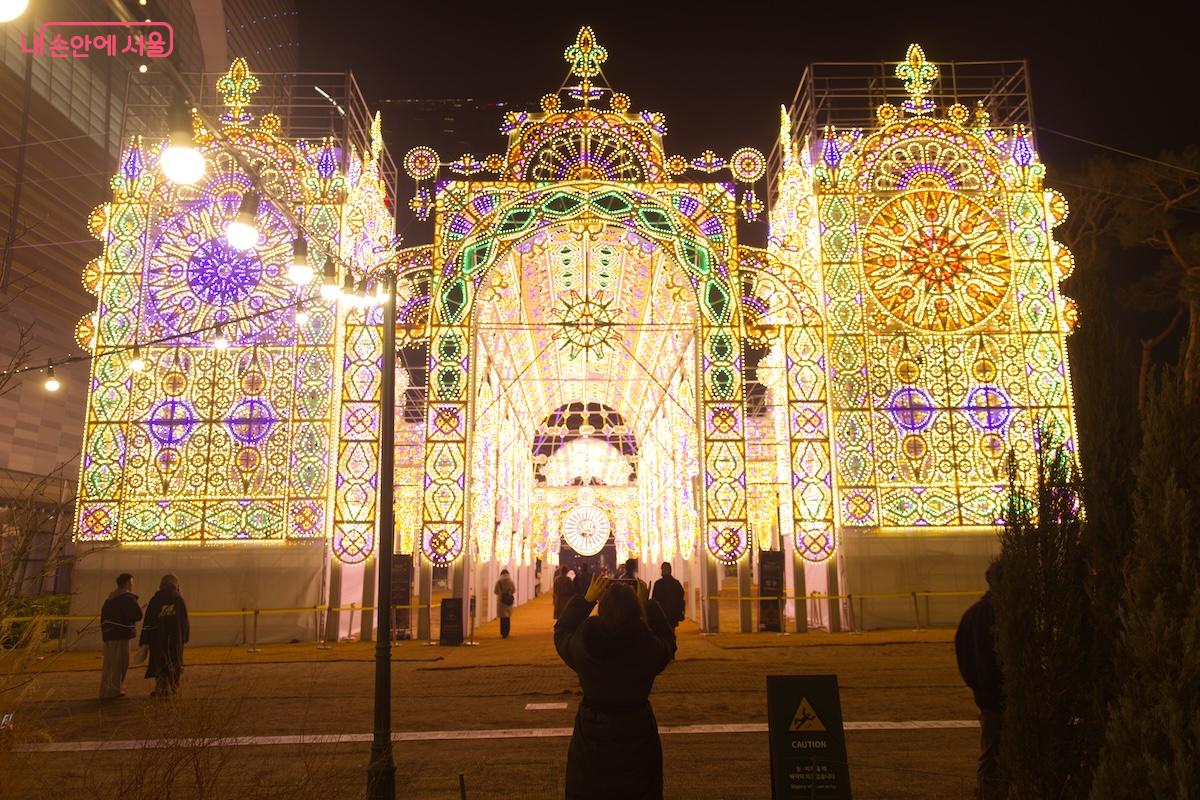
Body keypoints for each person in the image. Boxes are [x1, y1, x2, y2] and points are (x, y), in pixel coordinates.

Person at [554, 575, 677, 800]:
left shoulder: (586, 642)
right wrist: (648, 606)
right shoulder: (645, 643)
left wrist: (586, 599)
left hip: (593, 726)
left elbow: (562, 632)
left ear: (602, 608)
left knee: (590, 784)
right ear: (635, 610)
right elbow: (668, 642)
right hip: (637, 726)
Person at [955, 561, 1005, 800]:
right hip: (1003, 695)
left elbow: (963, 659)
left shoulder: (971, 615)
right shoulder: (1007, 615)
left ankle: (987, 792)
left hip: (986, 697)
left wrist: (978, 687)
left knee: (990, 752)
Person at [139, 574, 189, 697]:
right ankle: (172, 687)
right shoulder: (178, 599)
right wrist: (185, 637)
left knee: (159, 662)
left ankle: (161, 688)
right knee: (174, 662)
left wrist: (145, 639)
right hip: (175, 639)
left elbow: (148, 621)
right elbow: (184, 622)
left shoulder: (155, 600)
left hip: (157, 639)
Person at [99, 573, 142, 700]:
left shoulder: (110, 599)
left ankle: (107, 690)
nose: (132, 585)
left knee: (109, 664)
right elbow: (137, 615)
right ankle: (113, 690)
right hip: (121, 634)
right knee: (120, 663)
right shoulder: (127, 598)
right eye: (131, 582)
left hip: (109, 634)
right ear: (128, 583)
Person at [650, 563, 685, 629]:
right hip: (672, 613)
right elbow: (681, 597)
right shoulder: (676, 583)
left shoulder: (658, 583)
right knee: (671, 630)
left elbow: (654, 599)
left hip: (662, 613)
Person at [494, 568, 516, 639]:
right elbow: (514, 590)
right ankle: (507, 631)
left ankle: (503, 632)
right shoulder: (510, 581)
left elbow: (495, 591)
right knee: (507, 617)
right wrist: (509, 592)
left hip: (501, 601)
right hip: (508, 601)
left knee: (502, 618)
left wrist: (501, 593)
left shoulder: (499, 581)